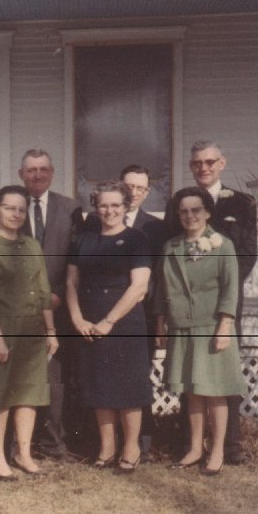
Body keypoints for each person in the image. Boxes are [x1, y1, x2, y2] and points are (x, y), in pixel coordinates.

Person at [165, 141, 257, 464]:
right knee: (192, 380)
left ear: (221, 162)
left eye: (209, 161)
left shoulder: (242, 203)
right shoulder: (180, 203)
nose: (203, 167)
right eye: (196, 163)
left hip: (224, 306)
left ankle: (227, 447)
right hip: (188, 311)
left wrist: (222, 302)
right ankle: (192, 445)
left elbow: (245, 255)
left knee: (221, 380)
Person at [0, 149, 80, 459]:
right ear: (20, 173)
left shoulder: (70, 207)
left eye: (43, 169)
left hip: (60, 306)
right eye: (30, 170)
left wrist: (57, 296)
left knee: (52, 381)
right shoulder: (10, 205)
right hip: (15, 311)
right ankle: (11, 448)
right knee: (14, 382)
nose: (37, 174)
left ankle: (53, 443)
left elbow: (76, 257)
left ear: (52, 172)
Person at [156, 187, 247, 475]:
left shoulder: (222, 244)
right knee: (192, 392)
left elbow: (232, 287)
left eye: (196, 210)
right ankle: (195, 448)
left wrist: (225, 325)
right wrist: (161, 321)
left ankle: (217, 450)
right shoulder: (171, 246)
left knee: (216, 391)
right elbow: (161, 287)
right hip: (182, 325)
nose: (190, 215)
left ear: (207, 212)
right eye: (183, 211)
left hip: (213, 326)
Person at [66, 180, 152, 474]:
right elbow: (71, 282)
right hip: (89, 322)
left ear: (126, 206)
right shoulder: (84, 240)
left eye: (116, 205)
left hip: (124, 322)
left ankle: (131, 448)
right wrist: (77, 318)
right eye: (104, 205)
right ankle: (107, 447)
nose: (109, 210)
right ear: (96, 206)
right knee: (98, 384)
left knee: (128, 387)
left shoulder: (136, 239)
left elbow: (139, 286)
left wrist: (109, 321)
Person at [0, 185, 59, 481]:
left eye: (21, 210)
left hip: (33, 329)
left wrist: (51, 330)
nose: (16, 214)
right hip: (3, 330)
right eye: (10, 208)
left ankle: (24, 453)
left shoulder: (32, 245)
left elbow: (44, 290)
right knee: (0, 395)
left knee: (28, 394)